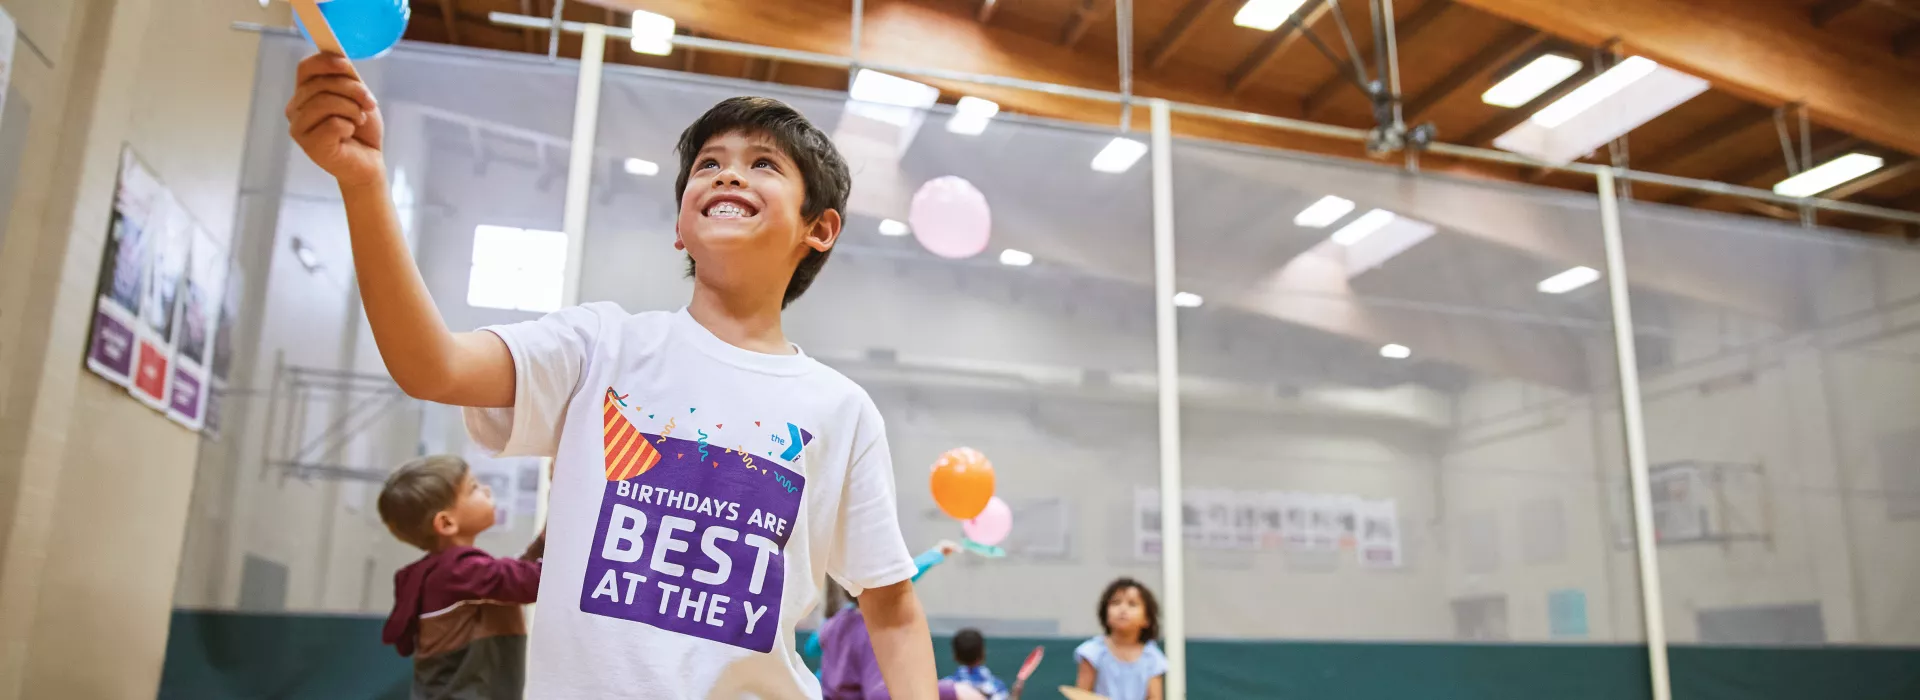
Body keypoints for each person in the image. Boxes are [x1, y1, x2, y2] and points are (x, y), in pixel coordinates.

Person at [288, 54, 939, 699]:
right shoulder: (599, 345)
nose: (727, 175)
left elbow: (892, 605)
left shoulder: (840, 409)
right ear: (682, 227)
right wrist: (365, 184)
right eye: (708, 164)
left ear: (819, 228)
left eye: (762, 163)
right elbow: (433, 367)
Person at [377, 455, 545, 699]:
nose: (486, 490)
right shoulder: (461, 572)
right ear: (446, 523)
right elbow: (534, 582)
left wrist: (545, 538)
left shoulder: (444, 573)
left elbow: (514, 577)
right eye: (473, 488)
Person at [1074, 578, 1167, 700]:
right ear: (1105, 614)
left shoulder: (1152, 658)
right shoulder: (1092, 652)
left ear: (1147, 619)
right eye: (1116, 603)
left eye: (1132, 604)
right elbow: (1080, 696)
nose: (1123, 609)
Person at [945, 628, 1020, 700]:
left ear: (955, 656)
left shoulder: (944, 688)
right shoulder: (996, 687)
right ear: (983, 654)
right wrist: (1014, 696)